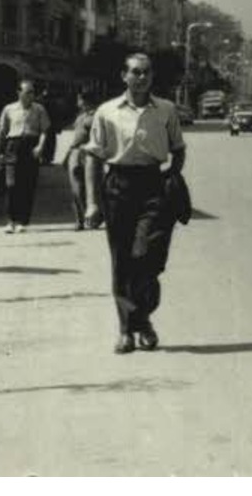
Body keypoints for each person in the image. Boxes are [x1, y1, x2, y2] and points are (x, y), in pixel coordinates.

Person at [84, 53, 187, 355]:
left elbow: (178, 149)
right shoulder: (107, 111)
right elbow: (93, 156)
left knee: (148, 258)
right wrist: (92, 203)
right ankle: (129, 330)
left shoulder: (166, 110)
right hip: (118, 186)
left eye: (146, 72)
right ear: (124, 76)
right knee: (122, 262)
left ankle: (141, 318)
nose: (142, 77)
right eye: (136, 72)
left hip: (154, 186)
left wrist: (172, 177)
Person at [0, 79, 50, 234]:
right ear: (19, 93)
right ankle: (10, 220)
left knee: (27, 185)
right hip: (13, 146)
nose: (31, 96)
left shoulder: (39, 109)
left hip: (30, 146)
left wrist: (40, 146)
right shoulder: (9, 109)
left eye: (32, 92)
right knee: (11, 185)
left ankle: (21, 221)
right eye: (27, 92)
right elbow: (2, 132)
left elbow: (45, 130)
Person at [62, 89, 102, 231]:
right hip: (76, 152)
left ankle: (91, 218)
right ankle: (80, 219)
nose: (77, 102)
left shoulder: (96, 116)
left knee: (91, 187)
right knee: (76, 188)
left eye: (79, 99)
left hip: (88, 153)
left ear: (85, 101)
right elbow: (75, 138)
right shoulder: (80, 117)